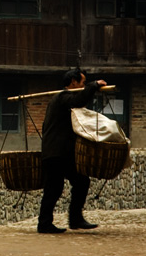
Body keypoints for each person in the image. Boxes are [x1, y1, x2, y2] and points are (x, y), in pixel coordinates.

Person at [37, 68, 107, 234]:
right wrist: (94, 85)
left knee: (80, 181)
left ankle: (74, 219)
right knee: (54, 188)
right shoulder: (63, 98)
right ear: (73, 83)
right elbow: (80, 99)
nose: (83, 86)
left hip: (59, 153)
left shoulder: (61, 99)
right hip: (56, 153)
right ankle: (45, 224)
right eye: (82, 83)